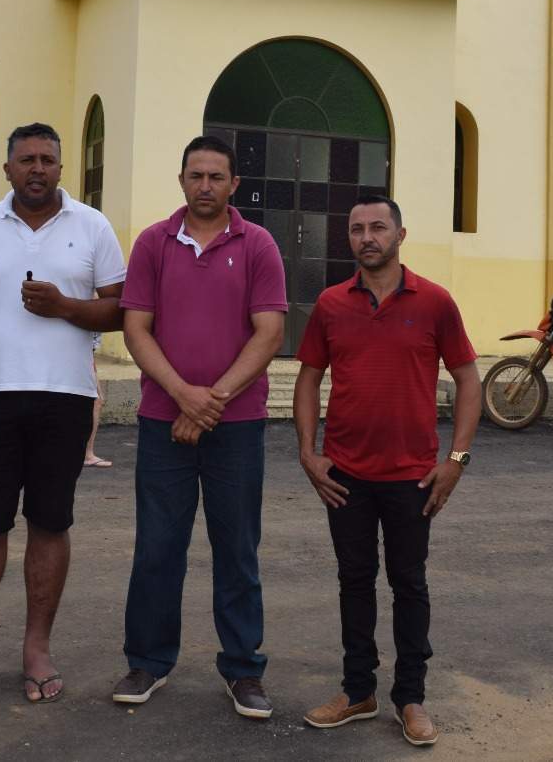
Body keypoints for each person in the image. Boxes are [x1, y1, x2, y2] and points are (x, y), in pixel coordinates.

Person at [0, 123, 126, 702]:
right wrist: (5, 349)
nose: (36, 168)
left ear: (61, 168)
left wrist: (65, 307)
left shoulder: (93, 227)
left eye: (47, 159)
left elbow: (120, 309)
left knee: (50, 523)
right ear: (7, 168)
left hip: (64, 399)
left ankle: (37, 648)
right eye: (25, 160)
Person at [292, 194, 482, 747]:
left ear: (401, 235)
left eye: (378, 227)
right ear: (347, 239)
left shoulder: (435, 302)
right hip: (344, 473)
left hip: (413, 477)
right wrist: (308, 451)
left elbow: (468, 378)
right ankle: (357, 692)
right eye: (357, 229)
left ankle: (410, 698)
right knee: (353, 581)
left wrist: (456, 460)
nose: (367, 237)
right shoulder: (330, 304)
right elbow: (307, 378)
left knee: (409, 583)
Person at [111, 136, 286, 720]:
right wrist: (184, 396)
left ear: (235, 184)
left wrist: (211, 401)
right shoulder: (153, 244)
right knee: (158, 546)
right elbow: (137, 330)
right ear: (181, 181)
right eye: (196, 175)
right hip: (164, 422)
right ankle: (147, 661)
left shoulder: (257, 244)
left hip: (237, 427)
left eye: (216, 176)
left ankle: (243, 670)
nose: (205, 185)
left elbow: (268, 334)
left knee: (237, 548)